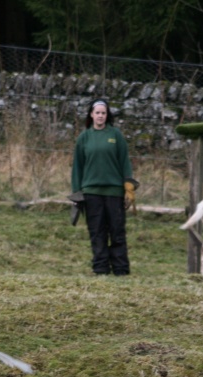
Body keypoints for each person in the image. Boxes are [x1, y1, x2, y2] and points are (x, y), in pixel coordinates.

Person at [70, 99, 136, 276]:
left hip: (114, 192)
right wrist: (76, 193)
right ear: (91, 115)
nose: (100, 116)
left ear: (107, 115)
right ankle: (100, 269)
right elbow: (77, 167)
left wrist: (128, 187)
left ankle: (121, 270)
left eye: (103, 113)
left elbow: (124, 162)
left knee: (117, 232)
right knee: (97, 232)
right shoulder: (84, 137)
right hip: (91, 193)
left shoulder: (116, 135)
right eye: (97, 113)